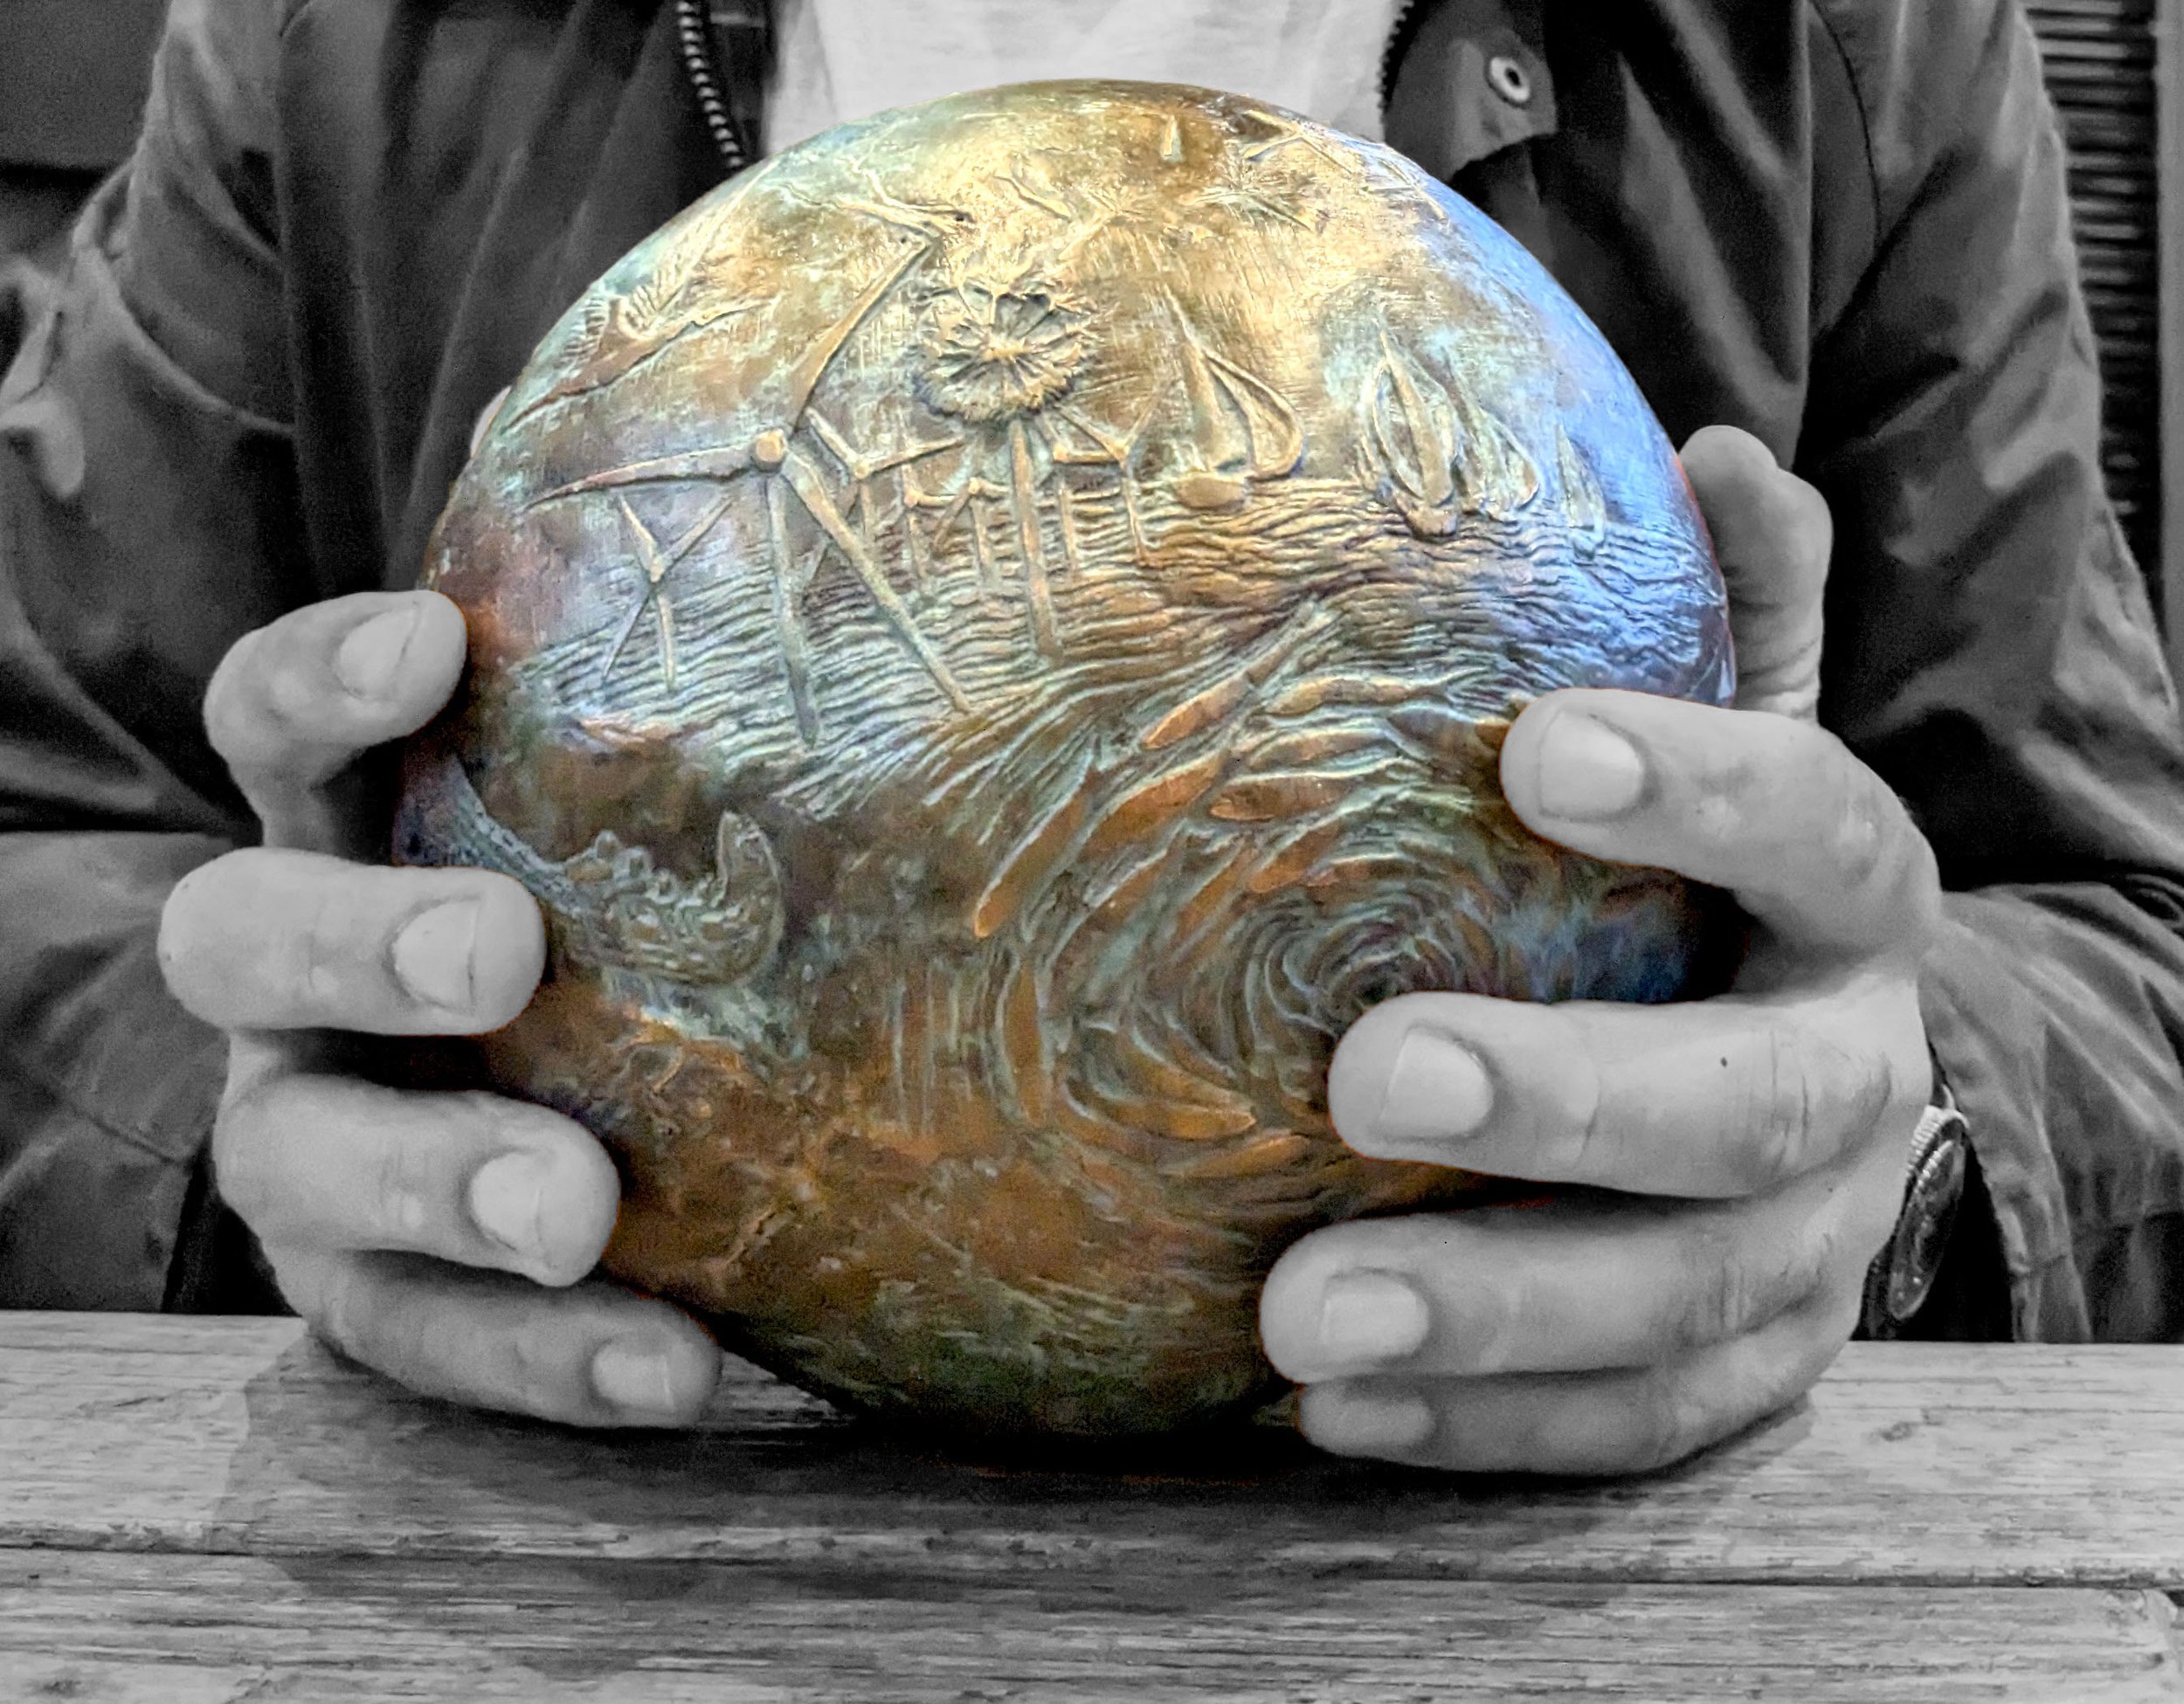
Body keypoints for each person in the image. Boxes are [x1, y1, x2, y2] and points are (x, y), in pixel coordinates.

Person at [3, 0, 2180, 1474]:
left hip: (1507, 1580)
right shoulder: (341, 39)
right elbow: (48, 831)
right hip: (598, 1551)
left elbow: (2119, 937)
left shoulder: (1838, 43)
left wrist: (1873, 1146)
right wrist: (259, 1138)